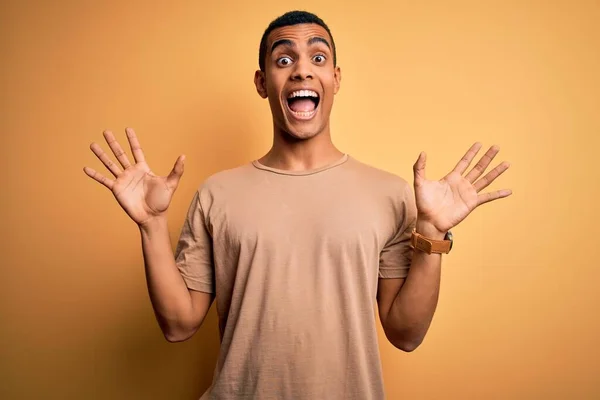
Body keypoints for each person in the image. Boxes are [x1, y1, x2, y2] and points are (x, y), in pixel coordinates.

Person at [83, 10, 511, 400]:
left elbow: (406, 334)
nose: (302, 69)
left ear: (336, 79)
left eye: (318, 58)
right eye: (284, 60)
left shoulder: (390, 194)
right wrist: (152, 224)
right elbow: (178, 326)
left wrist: (433, 232)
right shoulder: (217, 195)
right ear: (262, 82)